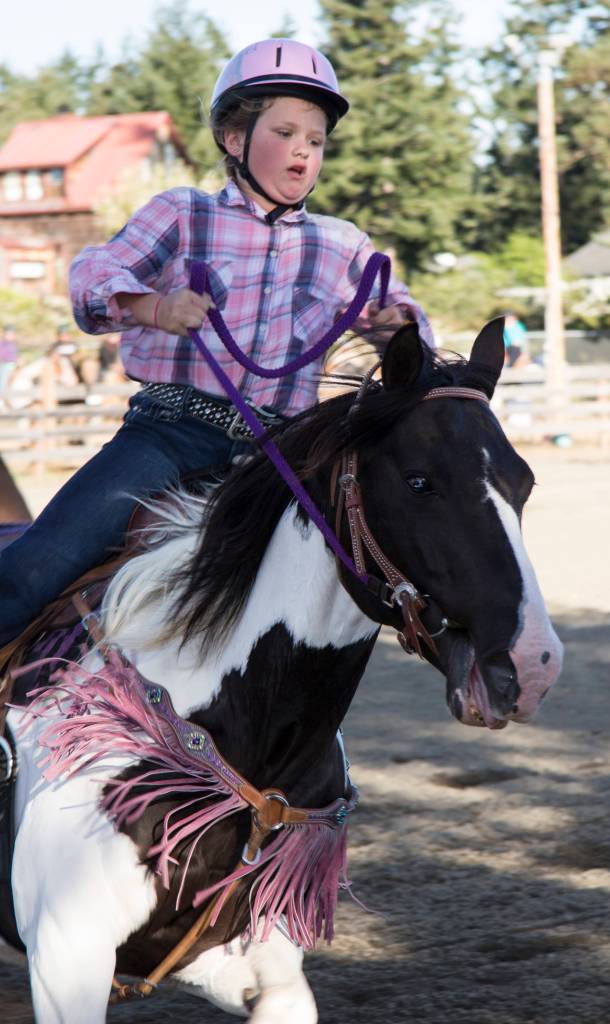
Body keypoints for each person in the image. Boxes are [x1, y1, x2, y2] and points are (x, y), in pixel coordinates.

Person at [0, 38, 434, 648]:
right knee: (36, 570)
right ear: (234, 139)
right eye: (284, 133)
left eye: (315, 141)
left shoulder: (342, 245)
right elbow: (92, 276)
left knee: (365, 583)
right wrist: (153, 306)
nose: (303, 153)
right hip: (170, 434)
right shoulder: (183, 214)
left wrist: (400, 330)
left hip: (284, 454)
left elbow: (410, 319)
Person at [0, 325, 18, 398]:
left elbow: (16, 356)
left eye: (11, 334)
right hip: (5, 364)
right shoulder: (2, 344)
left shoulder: (13, 345)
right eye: (7, 334)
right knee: (3, 376)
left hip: (13, 365)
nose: (9, 336)